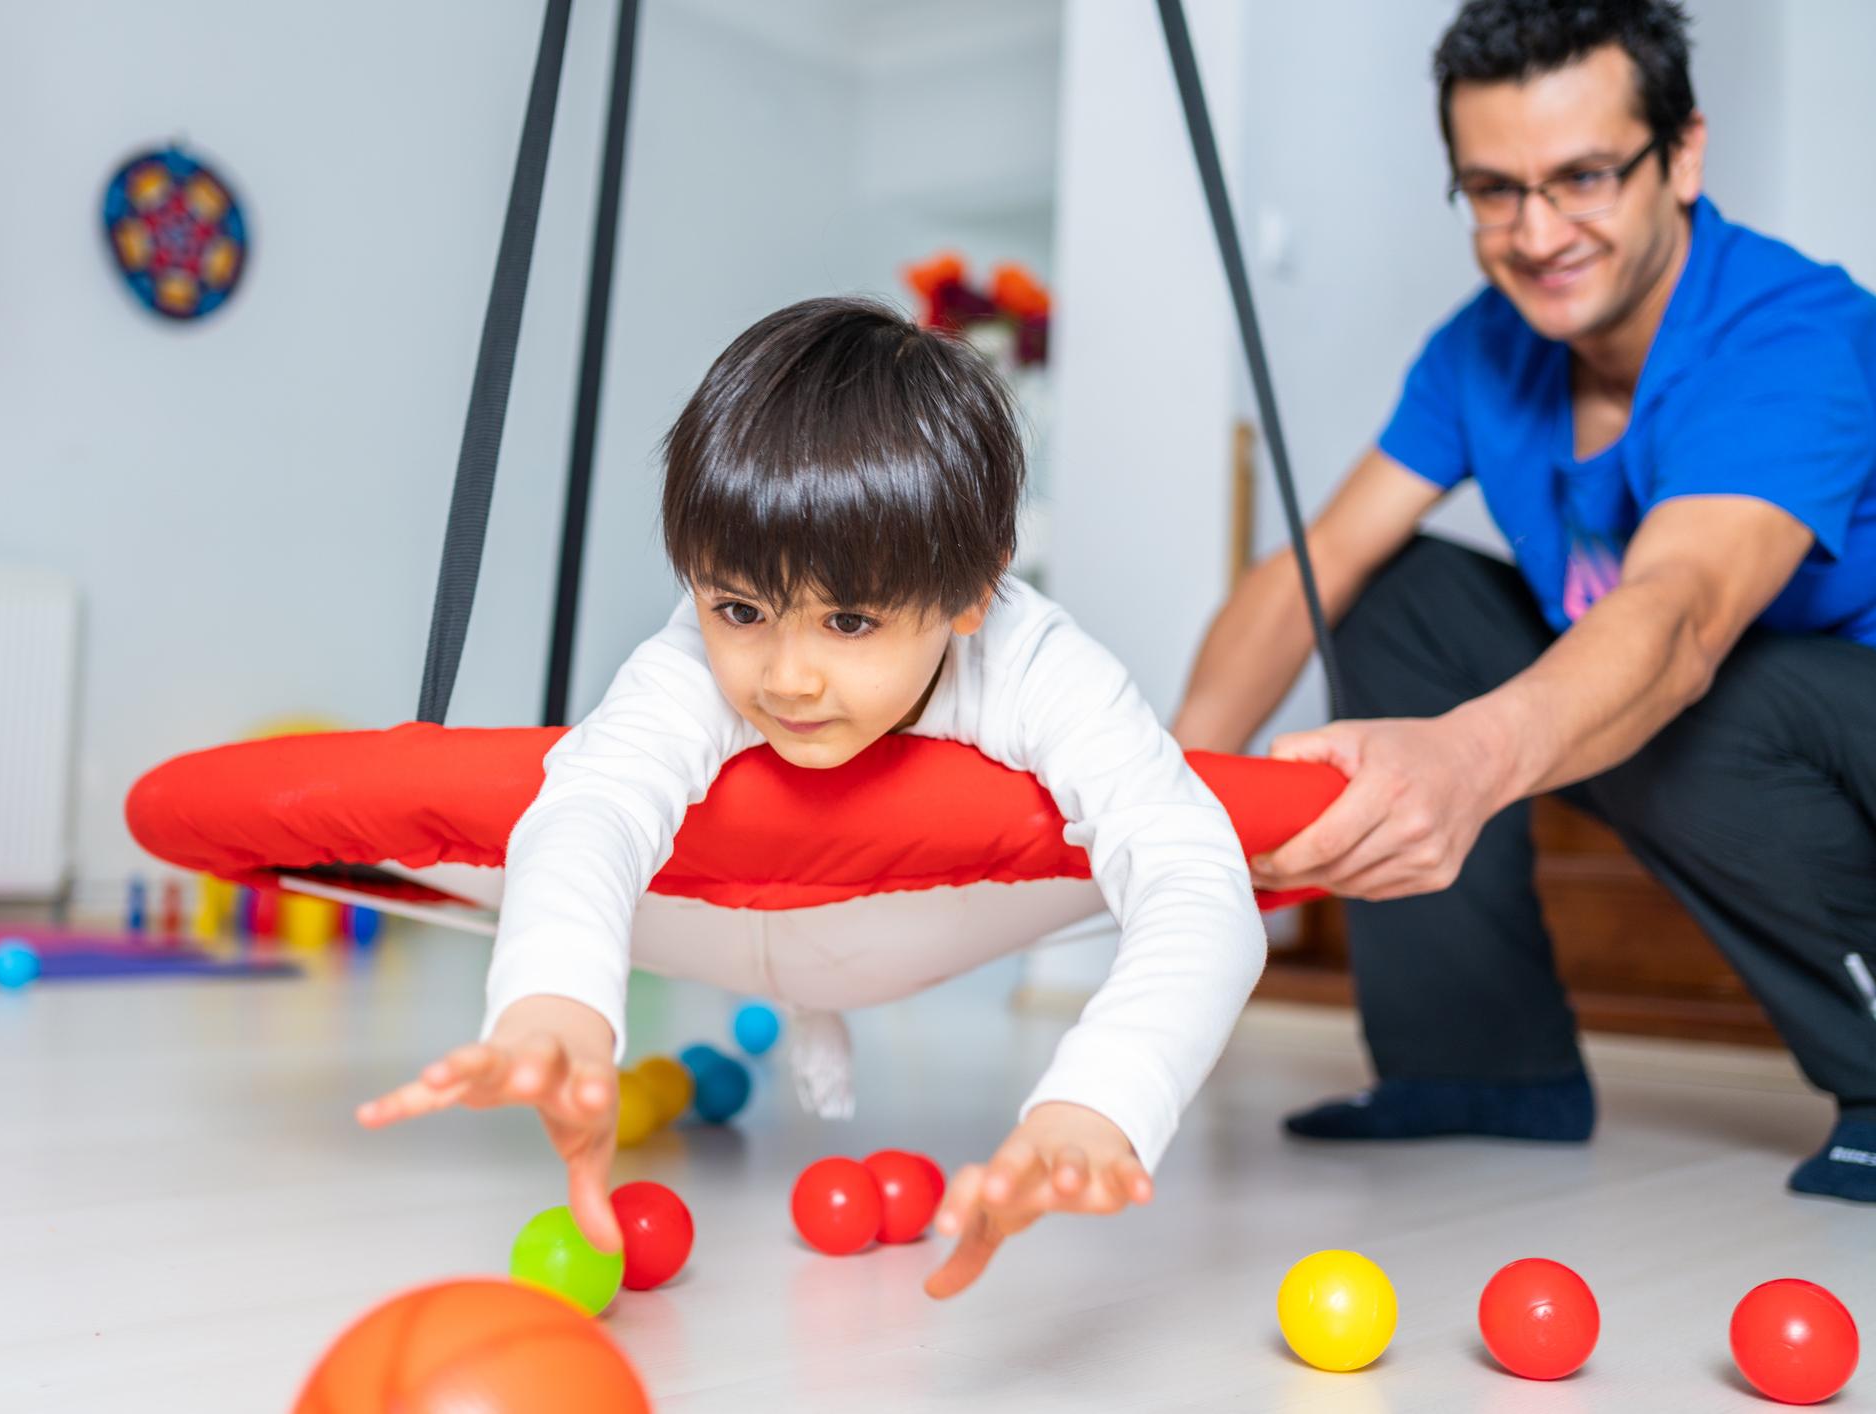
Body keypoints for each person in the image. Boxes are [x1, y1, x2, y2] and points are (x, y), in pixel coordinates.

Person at [358, 297, 1270, 1296]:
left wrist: (1099, 1101)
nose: (784, 677)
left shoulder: (1036, 664)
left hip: (927, 922)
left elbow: (1195, 878)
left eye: (847, 621)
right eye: (737, 607)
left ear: (973, 591)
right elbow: (593, 807)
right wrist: (553, 999)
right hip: (736, 919)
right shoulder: (687, 667)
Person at [1173, 0, 1876, 1202]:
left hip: (1812, 723)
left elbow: (1681, 614)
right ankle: (1476, 1067)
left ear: (1682, 155)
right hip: (1691, 717)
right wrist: (1163, 801)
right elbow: (1316, 560)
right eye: (1492, 190)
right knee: (1394, 594)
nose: (1536, 232)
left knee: (1690, 689)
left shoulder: (1789, 331)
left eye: (1583, 177)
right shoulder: (1478, 352)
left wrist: (1462, 760)